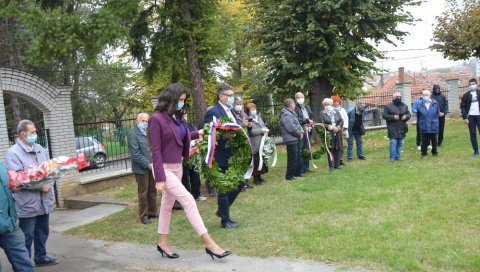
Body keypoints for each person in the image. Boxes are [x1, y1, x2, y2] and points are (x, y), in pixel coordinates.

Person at [149, 83, 230, 260]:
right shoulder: (156, 119)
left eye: (184, 100)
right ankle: (210, 244)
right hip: (163, 169)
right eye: (180, 100)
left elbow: (181, 137)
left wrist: (201, 132)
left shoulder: (176, 118)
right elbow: (155, 151)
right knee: (188, 200)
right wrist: (160, 179)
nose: (182, 103)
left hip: (177, 167)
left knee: (166, 207)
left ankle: (162, 243)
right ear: (171, 98)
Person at [5, 120, 58, 267]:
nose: (36, 134)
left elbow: (51, 170)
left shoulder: (40, 148)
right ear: (23, 134)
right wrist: (40, 187)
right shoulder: (13, 153)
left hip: (44, 200)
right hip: (28, 202)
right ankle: (25, 263)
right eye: (32, 132)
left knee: (42, 231)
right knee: (26, 235)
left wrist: (49, 184)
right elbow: (17, 179)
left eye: (35, 131)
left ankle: (41, 257)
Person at [204, 84, 246, 229]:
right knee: (224, 187)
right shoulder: (214, 112)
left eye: (232, 95)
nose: (232, 98)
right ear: (221, 96)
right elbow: (209, 132)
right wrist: (225, 135)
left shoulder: (231, 111)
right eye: (229, 95)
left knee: (240, 183)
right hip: (220, 154)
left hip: (233, 153)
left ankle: (222, 210)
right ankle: (225, 220)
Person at [0, 161, 35, 272]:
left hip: (8, 222)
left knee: (23, 260)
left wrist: (14, 186)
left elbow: (7, 186)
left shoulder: (1, 166)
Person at [128, 113, 157, 225]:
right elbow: (135, 154)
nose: (146, 123)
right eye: (143, 121)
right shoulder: (133, 134)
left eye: (147, 121)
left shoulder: (149, 132)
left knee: (152, 190)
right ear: (138, 121)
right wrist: (147, 164)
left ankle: (153, 211)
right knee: (143, 192)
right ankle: (144, 215)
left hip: (152, 165)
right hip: (141, 169)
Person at [182, 115, 206, 201]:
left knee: (195, 174)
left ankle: (196, 194)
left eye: (185, 114)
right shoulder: (179, 125)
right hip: (183, 154)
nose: (185, 116)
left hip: (194, 153)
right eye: (183, 114)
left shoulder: (190, 124)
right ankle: (187, 196)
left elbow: (196, 134)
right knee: (185, 176)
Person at [382, 92, 411, 162]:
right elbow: (384, 115)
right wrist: (393, 117)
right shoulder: (388, 106)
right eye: (397, 96)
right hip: (392, 127)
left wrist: (405, 117)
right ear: (393, 97)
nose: (399, 98)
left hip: (402, 127)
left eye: (400, 96)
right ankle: (392, 158)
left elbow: (409, 114)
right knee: (393, 142)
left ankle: (398, 157)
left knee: (400, 143)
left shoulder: (405, 106)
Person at [245, 102, 269, 185]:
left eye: (254, 109)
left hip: (261, 141)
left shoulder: (258, 117)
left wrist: (265, 129)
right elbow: (251, 132)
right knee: (255, 161)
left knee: (261, 160)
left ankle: (259, 176)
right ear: (248, 111)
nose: (254, 110)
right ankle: (256, 178)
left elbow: (263, 125)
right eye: (252, 109)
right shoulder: (248, 120)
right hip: (254, 142)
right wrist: (261, 130)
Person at [280, 98, 304, 180]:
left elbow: (297, 124)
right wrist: (299, 134)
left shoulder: (291, 113)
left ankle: (297, 172)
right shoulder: (286, 114)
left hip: (295, 138)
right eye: (293, 104)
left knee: (297, 156)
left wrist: (301, 132)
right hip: (291, 139)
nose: (294, 105)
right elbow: (291, 127)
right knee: (292, 158)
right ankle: (289, 175)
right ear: (291, 105)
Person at [319, 98, 344, 171]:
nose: (328, 106)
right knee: (330, 149)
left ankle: (337, 164)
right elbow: (322, 123)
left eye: (329, 104)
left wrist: (338, 127)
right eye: (326, 104)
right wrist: (330, 127)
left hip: (337, 132)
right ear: (324, 105)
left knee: (337, 148)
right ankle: (331, 166)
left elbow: (341, 120)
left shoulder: (336, 111)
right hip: (329, 133)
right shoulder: (322, 113)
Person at [294, 92, 313, 173]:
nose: (300, 99)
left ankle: (306, 167)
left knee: (307, 148)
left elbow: (311, 116)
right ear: (296, 99)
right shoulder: (295, 108)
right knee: (301, 149)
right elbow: (296, 119)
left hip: (309, 130)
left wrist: (311, 121)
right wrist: (306, 120)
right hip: (301, 130)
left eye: (301, 97)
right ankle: (301, 168)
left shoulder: (307, 107)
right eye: (298, 98)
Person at [460, 78, 480, 157]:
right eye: (470, 84)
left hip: (479, 116)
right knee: (473, 134)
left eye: (473, 84)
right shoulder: (466, 95)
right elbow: (462, 107)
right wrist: (465, 117)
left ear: (476, 84)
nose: (472, 86)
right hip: (470, 117)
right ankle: (476, 151)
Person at [417, 90, 440, 157]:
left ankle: (434, 152)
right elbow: (418, 115)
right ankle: (424, 153)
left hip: (433, 124)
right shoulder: (420, 105)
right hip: (424, 125)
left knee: (434, 140)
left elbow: (437, 113)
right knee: (424, 141)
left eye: (426, 95)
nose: (425, 96)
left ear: (430, 95)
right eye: (424, 95)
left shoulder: (435, 103)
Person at [332, 96, 349, 165]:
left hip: (342, 130)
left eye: (337, 102)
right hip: (334, 130)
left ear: (339, 102)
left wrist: (344, 127)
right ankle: (335, 160)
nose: (336, 103)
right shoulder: (331, 110)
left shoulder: (343, 110)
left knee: (343, 145)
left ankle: (341, 159)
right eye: (334, 102)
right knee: (336, 145)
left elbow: (346, 119)